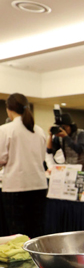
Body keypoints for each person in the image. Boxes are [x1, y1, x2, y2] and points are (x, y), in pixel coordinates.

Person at [0, 93, 48, 238]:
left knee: (18, 235)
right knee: (37, 232)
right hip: (39, 186)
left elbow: (1, 158)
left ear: (9, 109)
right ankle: (37, 260)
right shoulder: (39, 130)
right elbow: (42, 158)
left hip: (16, 187)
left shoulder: (6, 129)